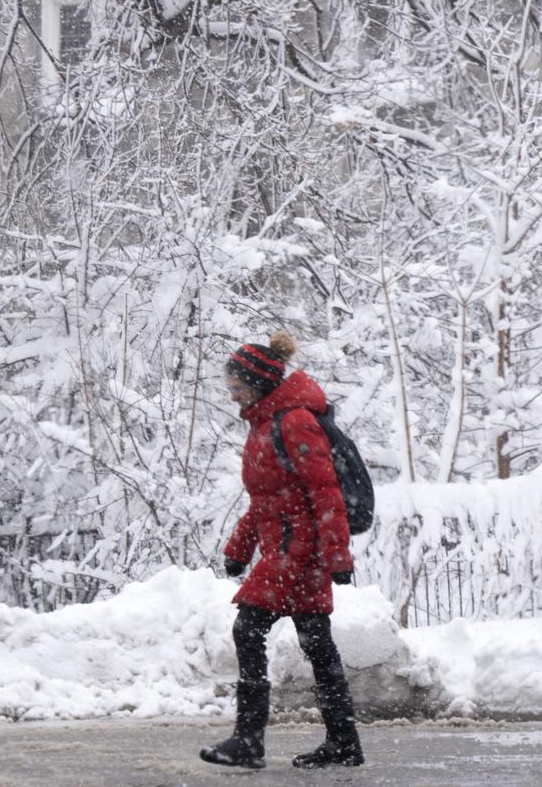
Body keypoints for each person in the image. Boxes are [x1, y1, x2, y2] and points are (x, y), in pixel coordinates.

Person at [200, 330, 364, 771]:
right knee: (317, 645)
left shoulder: (294, 422)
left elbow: (325, 491)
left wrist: (337, 556)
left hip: (299, 552)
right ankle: (344, 741)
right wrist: (239, 547)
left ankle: (249, 740)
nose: (231, 394)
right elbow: (267, 500)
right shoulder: (262, 425)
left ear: (258, 383)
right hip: (287, 546)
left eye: (236, 386)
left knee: (248, 629)